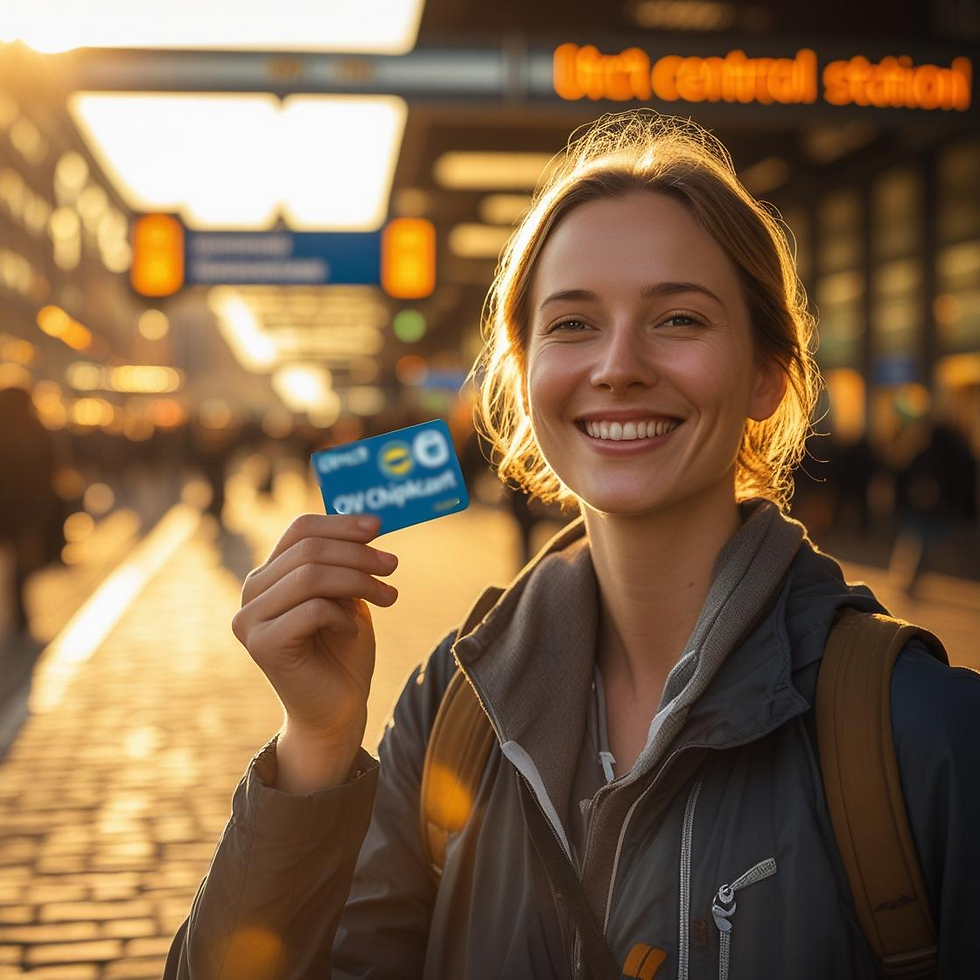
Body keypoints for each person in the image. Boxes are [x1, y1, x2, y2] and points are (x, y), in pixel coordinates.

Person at [165, 112, 979, 979]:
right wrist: (315, 747)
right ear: (522, 376)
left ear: (767, 375)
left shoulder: (923, 735)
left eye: (679, 320)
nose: (618, 365)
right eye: (572, 324)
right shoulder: (451, 705)